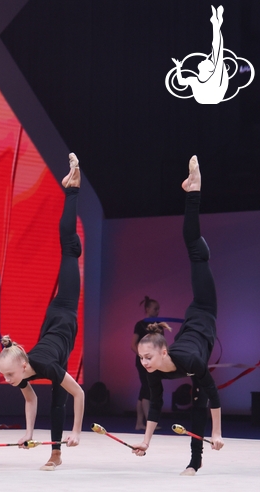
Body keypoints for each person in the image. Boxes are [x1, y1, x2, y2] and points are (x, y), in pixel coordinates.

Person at [132, 155, 225, 475]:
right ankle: (196, 463)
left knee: (196, 252)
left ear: (163, 351)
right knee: (198, 405)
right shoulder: (154, 371)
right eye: (141, 358)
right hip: (202, 321)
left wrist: (217, 432)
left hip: (202, 307)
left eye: (147, 357)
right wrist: (145, 441)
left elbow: (213, 393)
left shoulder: (188, 360)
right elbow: (156, 406)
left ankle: (193, 191)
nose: (144, 362)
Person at [0, 153, 84, 471]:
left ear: (22, 365)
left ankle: (72, 188)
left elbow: (80, 394)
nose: (7, 380)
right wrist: (29, 434)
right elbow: (31, 399)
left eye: (9, 374)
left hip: (62, 311)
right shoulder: (22, 373)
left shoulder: (39, 366)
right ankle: (55, 453)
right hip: (60, 329)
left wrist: (77, 432)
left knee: (68, 248)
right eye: (6, 376)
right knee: (56, 400)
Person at [172, 6, 228, 104]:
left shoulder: (198, 79)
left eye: (206, 61)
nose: (205, 59)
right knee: (217, 51)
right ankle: (216, 24)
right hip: (212, 97)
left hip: (212, 96)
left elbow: (181, 81)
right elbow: (180, 82)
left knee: (217, 51)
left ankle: (216, 23)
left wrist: (178, 67)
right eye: (208, 61)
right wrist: (178, 67)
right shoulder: (198, 79)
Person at [131, 296, 161, 430]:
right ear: (147, 309)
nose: (157, 311)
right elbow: (133, 345)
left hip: (154, 361)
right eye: (155, 309)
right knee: (147, 389)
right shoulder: (140, 325)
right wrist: (144, 357)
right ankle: (150, 423)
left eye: (158, 309)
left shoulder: (159, 325)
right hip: (143, 362)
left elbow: (161, 345)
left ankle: (139, 423)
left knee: (144, 391)